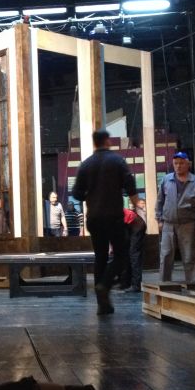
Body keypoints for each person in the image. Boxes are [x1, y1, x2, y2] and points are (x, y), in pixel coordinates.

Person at [72, 129, 140, 315]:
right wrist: (136, 201)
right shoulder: (117, 161)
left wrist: (90, 196)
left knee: (100, 256)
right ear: (108, 141)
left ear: (94, 142)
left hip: (94, 218)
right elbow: (129, 183)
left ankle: (102, 304)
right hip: (113, 217)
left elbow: (76, 193)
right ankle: (105, 284)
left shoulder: (86, 164)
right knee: (121, 255)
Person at [155, 151, 195, 282]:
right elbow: (160, 201)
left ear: (188, 164)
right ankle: (164, 286)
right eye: (176, 163)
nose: (178, 166)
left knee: (189, 257)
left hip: (188, 224)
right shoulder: (166, 180)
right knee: (166, 256)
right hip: (168, 224)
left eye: (181, 163)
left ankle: (192, 286)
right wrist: (159, 219)